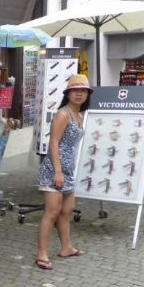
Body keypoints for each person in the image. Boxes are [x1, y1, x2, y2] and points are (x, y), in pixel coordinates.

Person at [34, 74, 92, 270]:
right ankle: (42, 253)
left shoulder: (80, 115)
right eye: (75, 91)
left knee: (66, 211)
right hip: (54, 170)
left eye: (83, 91)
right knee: (52, 212)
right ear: (67, 94)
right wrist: (57, 171)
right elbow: (54, 142)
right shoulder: (63, 114)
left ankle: (66, 247)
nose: (79, 94)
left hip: (69, 170)